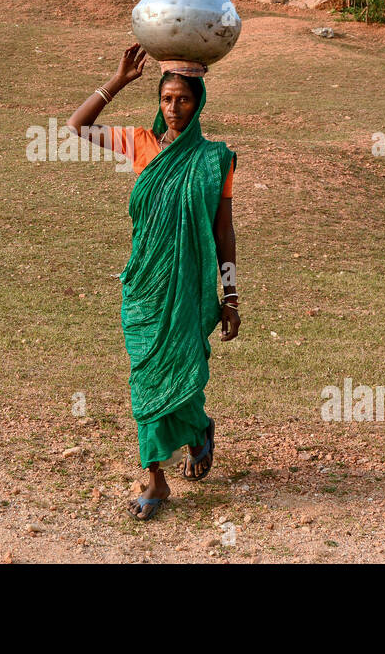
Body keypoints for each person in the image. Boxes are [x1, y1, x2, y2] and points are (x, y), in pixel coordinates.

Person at [65, 42, 240, 521]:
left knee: (181, 369)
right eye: (166, 100)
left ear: (198, 101)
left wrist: (231, 294)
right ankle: (157, 479)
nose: (174, 108)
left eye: (183, 99)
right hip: (143, 285)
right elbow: (76, 127)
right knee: (145, 379)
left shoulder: (215, 159)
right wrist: (118, 80)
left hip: (188, 289)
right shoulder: (141, 143)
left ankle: (196, 430)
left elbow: (223, 231)